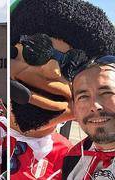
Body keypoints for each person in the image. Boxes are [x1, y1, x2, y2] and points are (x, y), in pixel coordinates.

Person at [10, 0, 115, 179]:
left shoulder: (64, 153)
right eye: (36, 48)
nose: (52, 70)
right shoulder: (74, 158)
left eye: (73, 66)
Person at [62, 55, 115, 179]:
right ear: (74, 108)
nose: (95, 105)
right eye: (83, 96)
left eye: (106, 93)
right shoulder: (72, 159)